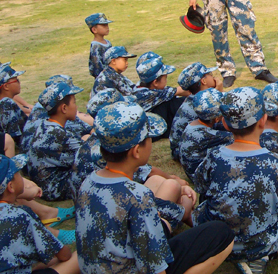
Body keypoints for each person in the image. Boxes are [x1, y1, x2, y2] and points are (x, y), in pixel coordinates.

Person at [76, 101, 234, 274]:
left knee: (158, 185)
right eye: (149, 137)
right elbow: (155, 267)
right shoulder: (138, 196)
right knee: (222, 233)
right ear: (136, 150)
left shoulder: (88, 183)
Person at [193, 87, 278, 274]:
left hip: (217, 240)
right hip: (259, 242)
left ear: (224, 123)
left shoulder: (214, 155)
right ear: (263, 119)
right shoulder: (277, 163)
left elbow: (200, 186)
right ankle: (264, 257)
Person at [0, 154, 80, 272]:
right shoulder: (20, 215)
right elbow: (64, 255)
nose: (21, 177)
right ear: (11, 186)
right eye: (18, 173)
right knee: (77, 258)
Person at [28, 81, 89, 201]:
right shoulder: (58, 133)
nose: (76, 107)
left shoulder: (45, 124)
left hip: (44, 183)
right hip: (54, 188)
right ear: (64, 108)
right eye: (74, 103)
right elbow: (88, 154)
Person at [179, 88, 232, 182]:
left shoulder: (194, 124)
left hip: (194, 169)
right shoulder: (206, 135)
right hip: (199, 177)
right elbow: (238, 137)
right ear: (216, 119)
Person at [169, 62, 220, 161]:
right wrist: (218, 92)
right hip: (185, 151)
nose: (213, 77)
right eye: (210, 75)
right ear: (204, 81)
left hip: (180, 147)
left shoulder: (193, 98)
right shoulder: (204, 104)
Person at [134, 55, 190, 137]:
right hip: (149, 130)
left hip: (144, 125)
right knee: (176, 102)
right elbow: (182, 90)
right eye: (165, 78)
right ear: (155, 82)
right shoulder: (152, 94)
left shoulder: (139, 86)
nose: (166, 80)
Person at [0, 63, 27, 145]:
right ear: (6, 86)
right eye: (16, 80)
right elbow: (13, 135)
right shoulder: (6, 104)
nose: (19, 82)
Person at [85, 13, 113, 78]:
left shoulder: (107, 42)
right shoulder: (96, 46)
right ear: (94, 30)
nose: (107, 27)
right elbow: (97, 67)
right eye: (104, 25)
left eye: (107, 25)